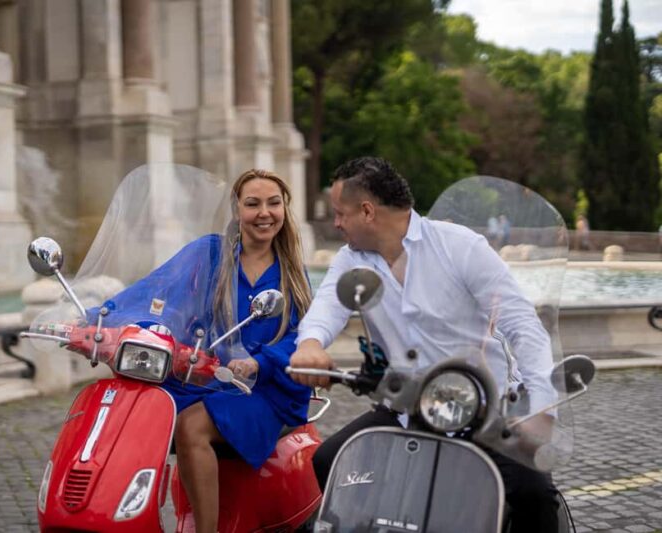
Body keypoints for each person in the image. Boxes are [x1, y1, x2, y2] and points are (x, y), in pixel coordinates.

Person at [289, 157, 560, 533]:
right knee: (329, 461)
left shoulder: (460, 246)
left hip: (484, 409)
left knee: (535, 494)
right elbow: (325, 310)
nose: (335, 223)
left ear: (367, 211)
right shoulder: (351, 260)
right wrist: (310, 344)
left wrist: (541, 410)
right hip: (406, 408)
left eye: (340, 213)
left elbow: (523, 326)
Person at [106, 169, 312, 533]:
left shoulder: (291, 272)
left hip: (268, 389)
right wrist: (100, 320)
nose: (264, 213)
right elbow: (158, 290)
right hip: (211, 379)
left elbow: (303, 337)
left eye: (273, 203)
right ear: (237, 210)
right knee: (141, 409)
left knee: (191, 426)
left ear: (285, 208)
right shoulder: (212, 253)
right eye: (253, 204)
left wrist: (259, 362)